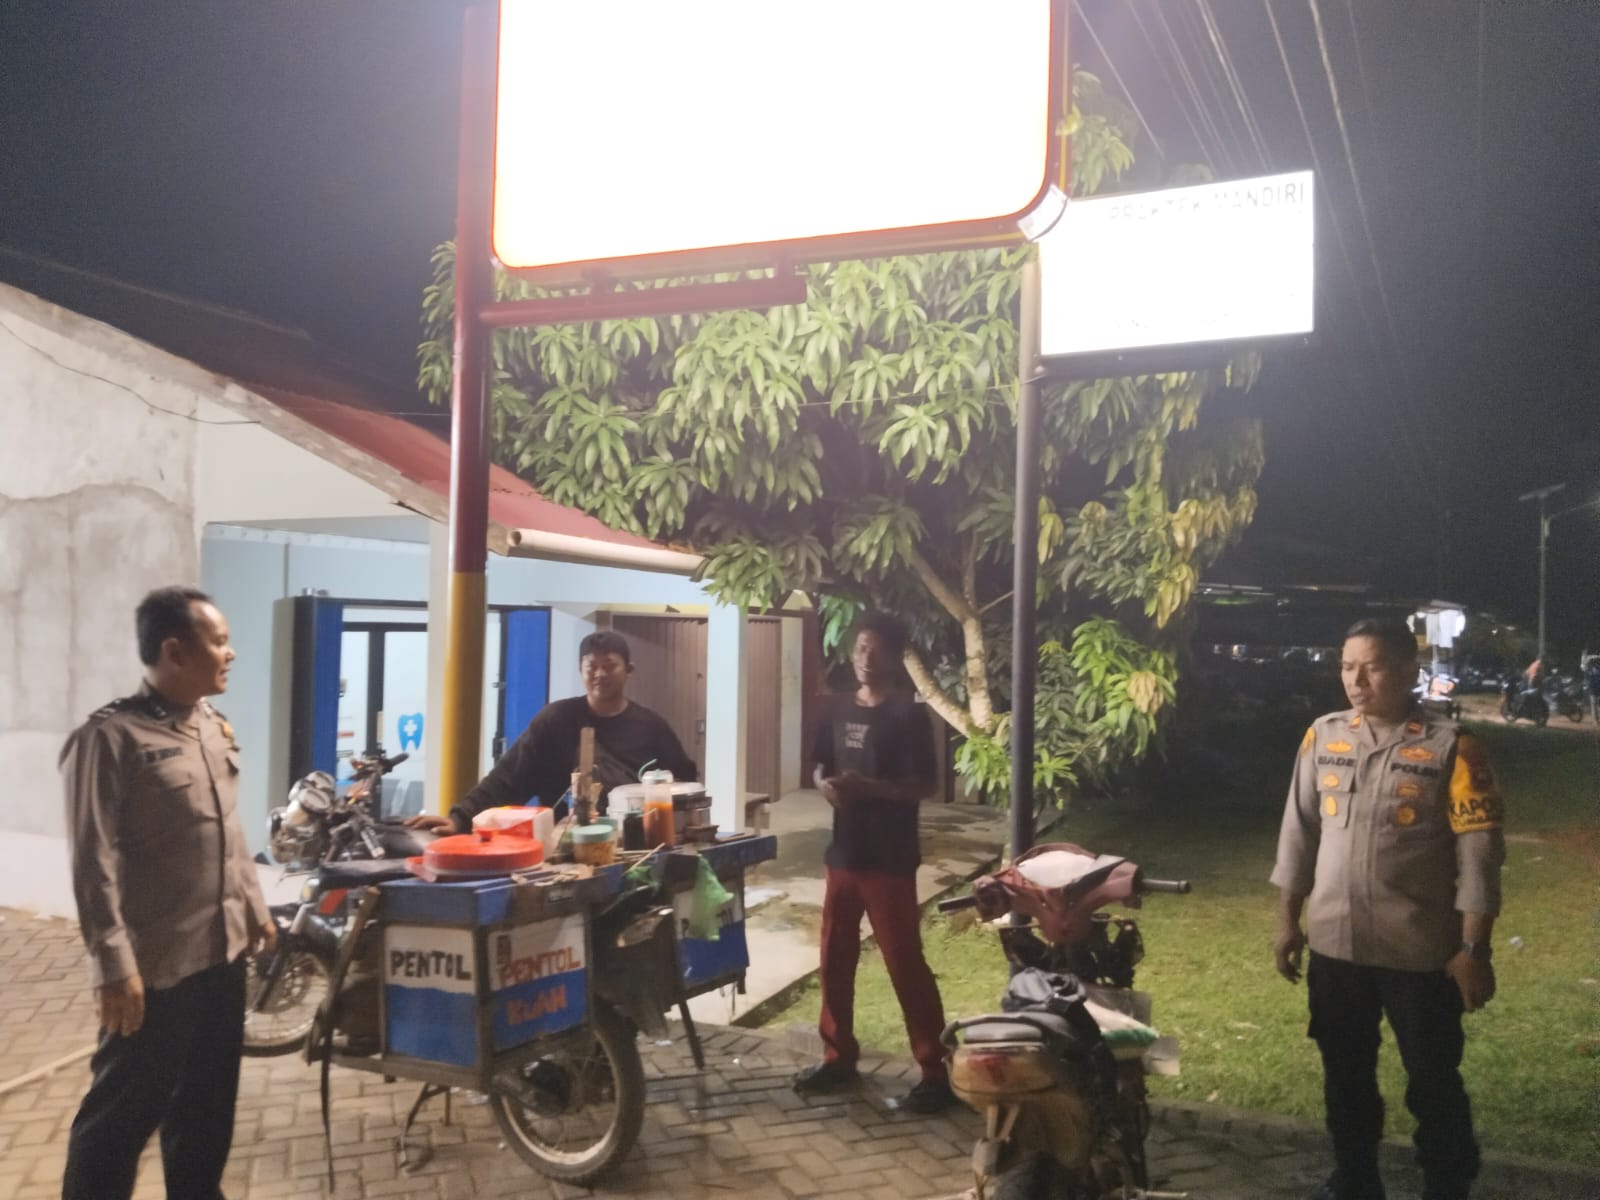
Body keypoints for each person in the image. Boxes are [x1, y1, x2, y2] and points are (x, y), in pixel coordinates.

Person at [1271, 618, 1505, 1200]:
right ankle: (1355, 1181)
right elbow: (1299, 834)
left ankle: (1447, 1187)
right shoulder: (1323, 737)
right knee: (1344, 1076)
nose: (1356, 680)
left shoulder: (1454, 747)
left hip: (1419, 954)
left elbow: (1480, 857)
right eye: (1347, 666)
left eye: (1371, 667)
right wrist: (1287, 922)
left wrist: (1473, 949)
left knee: (1432, 1081)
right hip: (1335, 948)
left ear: (1406, 671)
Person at [61, 586, 275, 1200]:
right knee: (119, 1118)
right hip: (155, 968)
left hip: (221, 957)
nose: (230, 653)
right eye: (219, 642)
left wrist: (256, 909)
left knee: (207, 1110)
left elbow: (229, 832)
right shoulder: (109, 738)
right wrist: (112, 965)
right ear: (175, 652)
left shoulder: (211, 726)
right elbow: (91, 860)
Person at [792, 613, 953, 1114]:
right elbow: (819, 765)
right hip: (844, 855)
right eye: (861, 647)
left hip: (890, 860)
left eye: (876, 649)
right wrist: (824, 786)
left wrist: (872, 790)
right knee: (834, 959)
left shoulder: (908, 715)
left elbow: (925, 785)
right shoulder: (837, 709)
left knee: (904, 962)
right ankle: (837, 1057)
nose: (865, 658)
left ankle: (935, 1071)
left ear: (894, 657)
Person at [408, 629, 696, 833]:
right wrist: (460, 819)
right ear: (580, 670)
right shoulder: (556, 720)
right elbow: (508, 777)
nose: (600, 674)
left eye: (610, 666)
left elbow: (685, 784)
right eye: (591, 666)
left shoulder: (651, 726)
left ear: (628, 670)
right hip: (564, 850)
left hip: (636, 847)